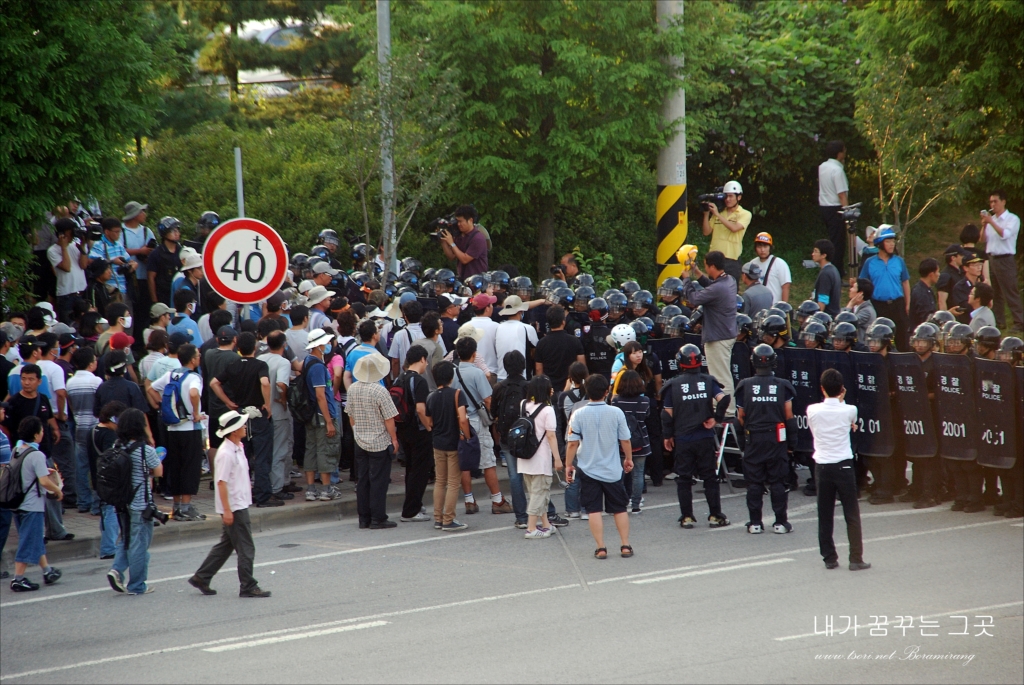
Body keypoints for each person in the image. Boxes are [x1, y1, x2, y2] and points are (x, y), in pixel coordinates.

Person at [188, 411, 272, 598]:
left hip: (238, 503)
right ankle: (248, 585)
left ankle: (202, 576)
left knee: (226, 545)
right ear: (233, 430)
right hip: (234, 506)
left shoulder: (237, 447)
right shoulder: (226, 453)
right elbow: (221, 482)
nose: (244, 427)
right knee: (246, 547)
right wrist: (227, 510)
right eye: (241, 425)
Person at [662, 344, 731, 529]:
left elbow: (666, 414)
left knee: (684, 479)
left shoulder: (673, 384)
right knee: (710, 477)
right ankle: (715, 515)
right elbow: (724, 399)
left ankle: (687, 517)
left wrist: (667, 436)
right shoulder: (708, 381)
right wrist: (716, 419)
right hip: (705, 437)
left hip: (683, 439)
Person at [807, 369, 870, 571]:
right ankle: (855, 558)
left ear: (822, 389)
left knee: (824, 514)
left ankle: (829, 558)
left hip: (822, 466)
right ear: (842, 389)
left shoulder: (812, 410)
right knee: (851, 512)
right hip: (843, 465)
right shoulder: (850, 409)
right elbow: (850, 420)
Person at [565, 374, 633, 559]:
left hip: (588, 469)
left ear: (587, 392)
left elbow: (572, 443)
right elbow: (625, 440)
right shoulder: (616, 412)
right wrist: (628, 459)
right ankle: (625, 545)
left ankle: (601, 547)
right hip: (612, 469)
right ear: (606, 391)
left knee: (593, 509)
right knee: (619, 508)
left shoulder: (578, 414)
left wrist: (568, 465)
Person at [210, 332, 279, 509]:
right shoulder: (260, 365)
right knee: (263, 456)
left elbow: (214, 383)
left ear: (237, 347)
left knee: (244, 456)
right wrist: (267, 404)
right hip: (258, 413)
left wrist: (227, 401)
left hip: (240, 415)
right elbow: (265, 383)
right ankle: (263, 495)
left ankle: (246, 493)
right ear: (255, 347)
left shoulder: (233, 365)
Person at [734, 344, 796, 535]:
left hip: (753, 438)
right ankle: (780, 523)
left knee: (754, 483)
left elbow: (740, 418)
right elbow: (789, 417)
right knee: (777, 482)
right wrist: (791, 445)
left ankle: (755, 524)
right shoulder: (782, 385)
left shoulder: (744, 386)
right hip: (777, 438)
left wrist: (744, 443)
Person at [104, 408, 163, 595]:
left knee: (126, 539)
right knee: (140, 545)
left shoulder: (117, 446)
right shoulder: (145, 450)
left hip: (121, 502)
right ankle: (137, 585)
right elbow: (159, 471)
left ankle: (116, 570)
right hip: (140, 504)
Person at [450, 337, 511, 515]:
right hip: (476, 421)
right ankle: (497, 500)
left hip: (459, 421)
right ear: (474, 354)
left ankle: (469, 500)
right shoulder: (477, 373)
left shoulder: (451, 372)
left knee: (464, 462)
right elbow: (487, 398)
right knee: (488, 461)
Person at [148, 344, 206, 521]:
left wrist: (162, 406)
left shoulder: (171, 374)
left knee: (175, 467)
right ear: (193, 360)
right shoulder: (194, 377)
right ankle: (186, 508)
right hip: (189, 427)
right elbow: (194, 393)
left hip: (172, 428)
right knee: (190, 467)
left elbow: (151, 387)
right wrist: (195, 413)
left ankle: (176, 506)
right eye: (197, 355)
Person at [7, 416, 64, 592]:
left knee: (34, 537)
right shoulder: (37, 454)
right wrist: (58, 490)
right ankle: (18, 578)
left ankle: (47, 571)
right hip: (32, 505)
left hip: (17, 503)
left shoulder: (17, 449)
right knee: (28, 540)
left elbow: (25, 471)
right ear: (36, 434)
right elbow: (44, 482)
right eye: (41, 430)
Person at [346, 353, 400, 529]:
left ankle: (364, 517)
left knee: (362, 480)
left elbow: (350, 415)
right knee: (378, 481)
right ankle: (378, 517)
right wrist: (394, 439)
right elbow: (389, 419)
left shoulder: (353, 388)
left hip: (360, 439)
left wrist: (356, 431)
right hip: (379, 441)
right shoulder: (380, 391)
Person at [682, 250, 738, 417]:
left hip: (718, 337)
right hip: (726, 333)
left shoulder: (719, 287)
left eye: (705, 266)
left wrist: (686, 279)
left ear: (712, 266)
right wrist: (696, 272)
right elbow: (710, 286)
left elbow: (694, 299)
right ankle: (722, 406)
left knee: (720, 376)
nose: (705, 269)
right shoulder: (729, 280)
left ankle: (726, 411)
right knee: (721, 373)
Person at [425, 361, 471, 531]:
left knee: (440, 481)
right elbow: (463, 419)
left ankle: (438, 518)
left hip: (437, 443)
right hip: (453, 443)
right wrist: (467, 436)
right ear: (451, 377)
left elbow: (429, 421)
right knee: (453, 482)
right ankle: (448, 519)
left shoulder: (431, 396)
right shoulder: (457, 394)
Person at [517, 375, 562, 538]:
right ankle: (531, 529)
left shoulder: (523, 404)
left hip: (524, 456)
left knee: (537, 492)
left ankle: (545, 524)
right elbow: (551, 436)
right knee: (539, 493)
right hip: (541, 458)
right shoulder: (548, 410)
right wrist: (557, 458)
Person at [302, 328, 343, 502]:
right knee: (325, 449)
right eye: (325, 342)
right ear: (318, 345)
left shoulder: (307, 362)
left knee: (311, 449)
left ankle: (311, 489)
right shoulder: (318, 366)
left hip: (311, 414)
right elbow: (320, 395)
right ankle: (327, 489)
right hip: (321, 415)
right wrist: (329, 421)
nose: (328, 345)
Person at [394, 346, 434, 523]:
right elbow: (420, 408)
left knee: (410, 469)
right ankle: (410, 511)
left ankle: (414, 504)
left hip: (403, 429)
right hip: (418, 431)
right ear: (423, 359)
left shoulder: (399, 378)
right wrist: (429, 428)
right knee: (420, 470)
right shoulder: (419, 381)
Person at [257, 331, 295, 501]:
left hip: (262, 411)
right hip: (279, 411)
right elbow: (281, 384)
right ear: (284, 345)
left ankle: (267, 484)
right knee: (280, 449)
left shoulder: (261, 359)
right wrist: (283, 398)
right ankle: (277, 487)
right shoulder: (284, 362)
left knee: (265, 450)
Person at [859, 227, 911, 350]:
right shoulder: (870, 262)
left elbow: (905, 282)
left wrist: (908, 304)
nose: (892, 244)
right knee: (879, 340)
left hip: (897, 304)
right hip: (878, 306)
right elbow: (863, 283)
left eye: (893, 241)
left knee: (902, 340)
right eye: (888, 241)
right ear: (880, 243)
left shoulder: (899, 261)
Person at [979, 189, 1023, 332]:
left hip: (1005, 258)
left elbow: (1005, 234)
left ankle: (1019, 321)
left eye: (995, 201)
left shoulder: (1012, 219)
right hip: (992, 258)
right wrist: (985, 224)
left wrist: (991, 221)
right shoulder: (993, 221)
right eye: (991, 202)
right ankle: (999, 321)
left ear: (1003, 202)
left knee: (1010, 290)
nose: (993, 204)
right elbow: (982, 239)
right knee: (995, 292)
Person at [66, 348, 103, 514]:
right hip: (95, 429)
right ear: (90, 364)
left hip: (80, 428)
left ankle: (83, 502)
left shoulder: (70, 383)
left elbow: (71, 406)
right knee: (98, 467)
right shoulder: (96, 382)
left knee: (81, 467)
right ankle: (96, 504)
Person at [610, 371, 651, 514]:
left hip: (621, 442)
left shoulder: (616, 401)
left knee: (620, 474)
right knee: (638, 474)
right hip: (641, 441)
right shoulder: (644, 401)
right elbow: (646, 417)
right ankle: (635, 505)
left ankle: (621, 502)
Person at [701, 180, 751, 283]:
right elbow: (706, 232)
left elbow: (734, 228)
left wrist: (717, 214)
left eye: (731, 196)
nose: (728, 199)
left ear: (739, 197)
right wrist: (706, 214)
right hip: (714, 258)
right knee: (712, 290)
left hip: (731, 259)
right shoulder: (719, 213)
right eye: (726, 196)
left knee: (730, 291)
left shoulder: (745, 214)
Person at [89, 217, 137, 312]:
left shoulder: (119, 245)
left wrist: (132, 265)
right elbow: (91, 261)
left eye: (119, 232)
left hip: (123, 288)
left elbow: (128, 260)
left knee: (128, 320)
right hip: (110, 289)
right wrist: (111, 261)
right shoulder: (99, 245)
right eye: (116, 232)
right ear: (107, 232)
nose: (118, 234)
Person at [533, 306, 586, 393]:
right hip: (571, 389)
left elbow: (539, 369)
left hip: (550, 389)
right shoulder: (574, 341)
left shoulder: (541, 343)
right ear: (563, 322)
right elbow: (582, 365)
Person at [47, 219, 90, 323]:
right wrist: (64, 248)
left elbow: (83, 265)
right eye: (70, 232)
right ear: (61, 234)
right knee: (68, 325)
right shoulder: (52, 250)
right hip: (66, 295)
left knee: (85, 324)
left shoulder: (76, 246)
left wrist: (83, 246)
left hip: (81, 292)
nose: (73, 235)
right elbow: (67, 267)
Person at [818, 140, 851, 277]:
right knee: (838, 241)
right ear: (839, 154)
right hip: (836, 208)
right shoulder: (837, 170)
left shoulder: (822, 166)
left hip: (824, 206)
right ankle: (837, 270)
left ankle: (834, 267)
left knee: (833, 238)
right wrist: (848, 213)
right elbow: (842, 194)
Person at [495, 295, 539, 381]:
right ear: (521, 311)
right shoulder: (527, 328)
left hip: (501, 376)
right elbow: (535, 352)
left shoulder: (498, 327)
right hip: (522, 377)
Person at [439, 205, 489, 279]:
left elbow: (464, 259)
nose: (458, 224)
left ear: (470, 220)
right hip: (462, 279)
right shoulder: (460, 236)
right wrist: (443, 241)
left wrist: (451, 243)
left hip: (477, 281)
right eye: (457, 221)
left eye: (460, 221)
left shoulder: (478, 238)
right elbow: (451, 256)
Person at [146, 216, 183, 307]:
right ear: (164, 233)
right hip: (163, 296)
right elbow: (151, 278)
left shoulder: (182, 251)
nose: (177, 233)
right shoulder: (156, 254)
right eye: (173, 231)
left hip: (180, 295)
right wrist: (155, 301)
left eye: (177, 230)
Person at [745, 232, 791, 304]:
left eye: (765, 246)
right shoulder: (752, 263)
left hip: (774, 307)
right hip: (757, 307)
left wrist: (783, 307)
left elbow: (786, 287)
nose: (762, 250)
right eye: (759, 247)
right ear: (755, 248)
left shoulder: (780, 263)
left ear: (770, 247)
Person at [468, 293, 500, 376]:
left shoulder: (466, 326)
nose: (493, 307)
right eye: (491, 305)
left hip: (470, 373)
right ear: (487, 309)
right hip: (491, 372)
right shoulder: (496, 326)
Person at [949, 253, 985, 324]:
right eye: (975, 265)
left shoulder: (982, 283)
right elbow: (967, 307)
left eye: (980, 264)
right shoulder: (960, 287)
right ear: (966, 268)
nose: (979, 267)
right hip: (967, 323)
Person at [809, 239, 842, 318]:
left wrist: (815, 319)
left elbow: (822, 301)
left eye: (816, 251)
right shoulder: (833, 269)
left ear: (824, 255)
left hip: (827, 318)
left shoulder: (826, 273)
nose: (813, 254)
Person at [843, 278, 877, 346]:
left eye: (853, 287)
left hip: (861, 348)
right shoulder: (856, 307)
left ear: (860, 294)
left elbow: (844, 323)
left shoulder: (867, 311)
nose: (850, 289)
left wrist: (850, 304)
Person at [910, 258, 939, 329]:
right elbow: (926, 318)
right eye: (938, 271)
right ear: (931, 274)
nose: (939, 274)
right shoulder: (921, 292)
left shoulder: (926, 289)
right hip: (923, 333)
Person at [936, 244, 965, 311]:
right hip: (953, 315)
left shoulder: (961, 272)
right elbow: (941, 301)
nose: (963, 257)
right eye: (961, 255)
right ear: (953, 258)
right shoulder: (945, 275)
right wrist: (945, 318)